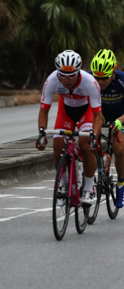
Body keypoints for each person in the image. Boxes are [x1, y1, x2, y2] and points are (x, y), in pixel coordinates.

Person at [37, 50, 103, 206]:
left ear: (79, 71)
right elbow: (44, 110)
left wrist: (94, 135)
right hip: (65, 111)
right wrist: (41, 134)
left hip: (86, 111)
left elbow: (98, 116)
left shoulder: (90, 82)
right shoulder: (52, 80)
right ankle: (64, 183)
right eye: (63, 75)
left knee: (86, 145)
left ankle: (88, 188)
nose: (66, 80)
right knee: (57, 147)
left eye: (71, 75)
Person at [90, 49, 124, 208]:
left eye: (104, 78)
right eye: (97, 77)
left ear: (113, 73)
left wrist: (120, 121)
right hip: (99, 115)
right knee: (87, 143)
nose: (100, 81)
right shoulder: (89, 79)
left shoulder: (123, 80)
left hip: (120, 117)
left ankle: (121, 185)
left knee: (119, 148)